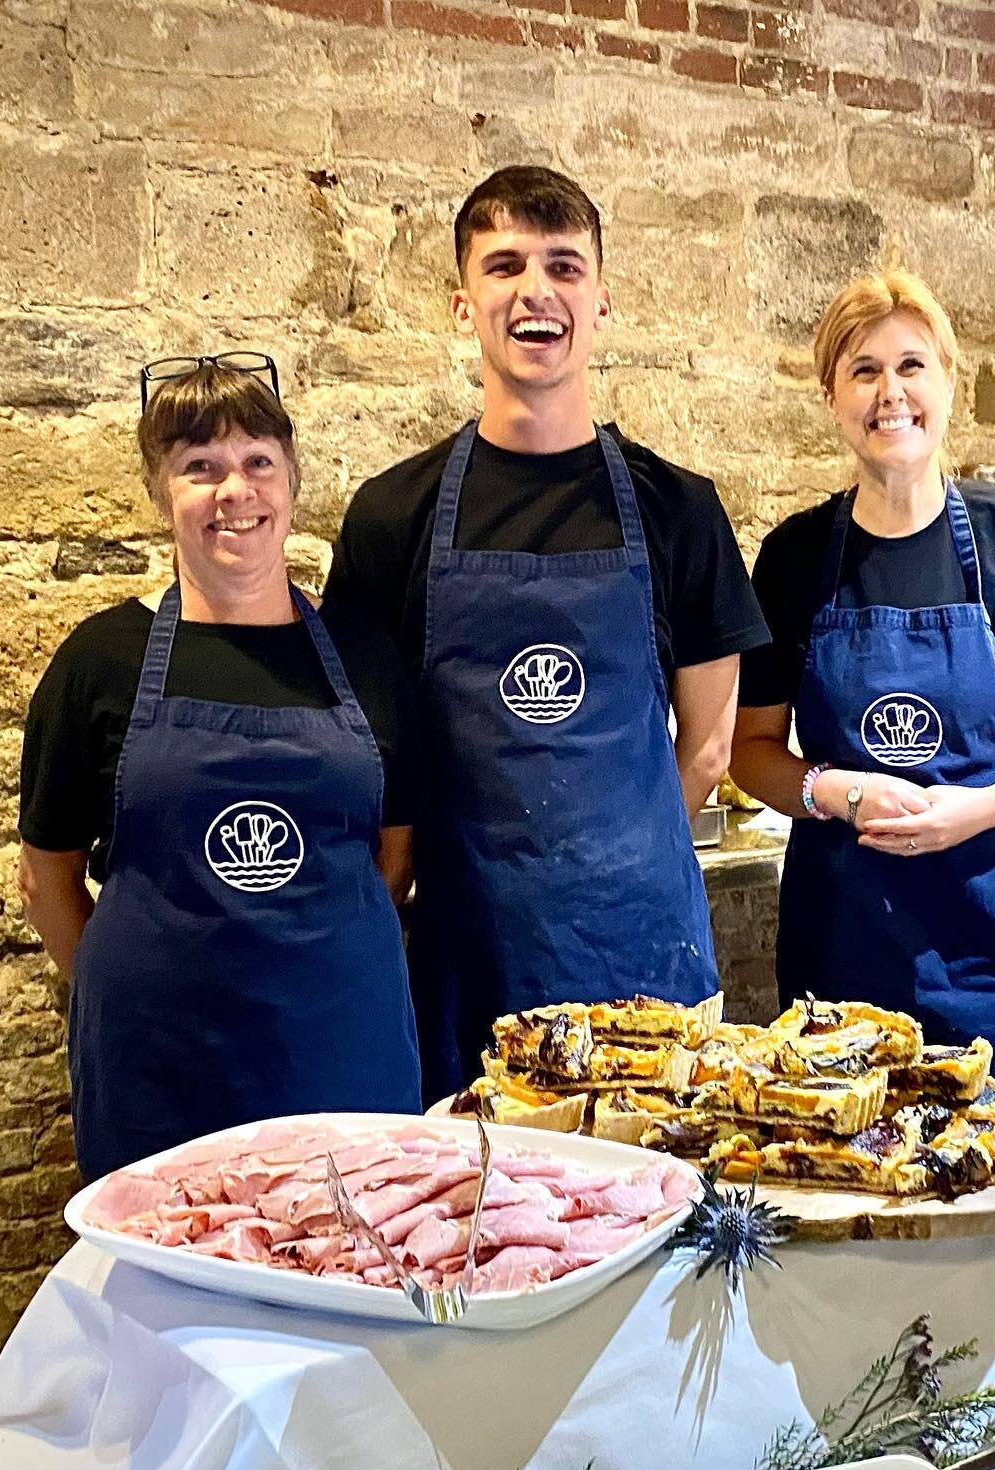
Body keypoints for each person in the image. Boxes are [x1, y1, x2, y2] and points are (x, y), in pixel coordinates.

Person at [324, 166, 769, 1102]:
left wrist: (605, 860)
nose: (537, 290)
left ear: (599, 302)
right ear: (462, 304)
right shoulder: (390, 516)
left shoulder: (678, 510)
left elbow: (713, 746)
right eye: (505, 265)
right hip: (464, 964)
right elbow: (374, 764)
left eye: (565, 267)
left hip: (642, 962)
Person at [18, 355, 421, 1180]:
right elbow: (46, 880)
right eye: (198, 467)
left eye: (257, 462)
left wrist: (302, 962)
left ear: (291, 481)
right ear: (159, 490)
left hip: (342, 1056)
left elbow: (397, 854)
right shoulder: (101, 662)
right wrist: (131, 998)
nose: (233, 491)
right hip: (163, 1079)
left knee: (356, 1279)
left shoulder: (366, 654)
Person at [729, 271, 995, 1098]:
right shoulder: (795, 558)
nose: (889, 392)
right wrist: (834, 790)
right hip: (852, 965)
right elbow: (750, 753)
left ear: (947, 381)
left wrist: (973, 810)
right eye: (862, 370)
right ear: (831, 395)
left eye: (911, 366)